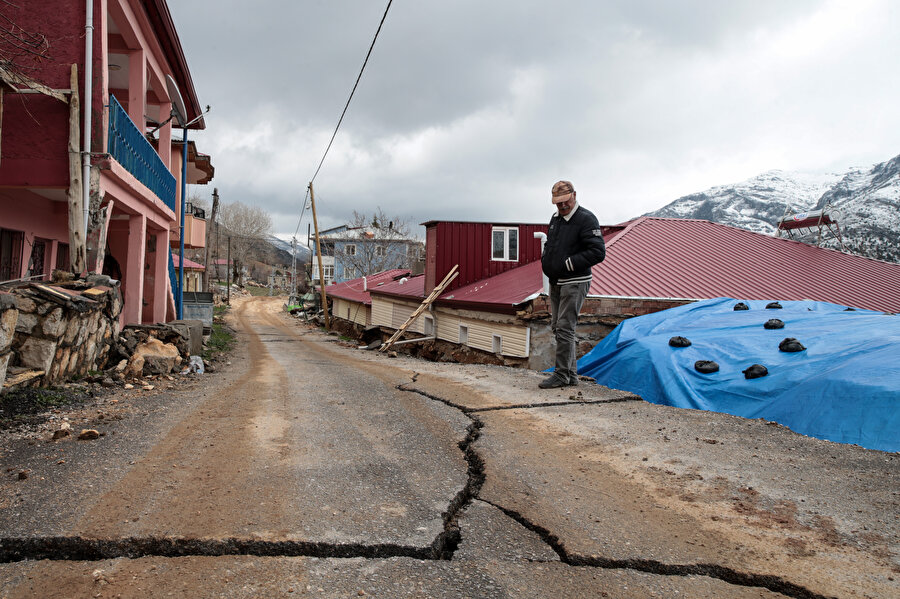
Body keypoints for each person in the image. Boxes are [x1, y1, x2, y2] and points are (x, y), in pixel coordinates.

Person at [539, 180, 606, 389]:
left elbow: (598, 252)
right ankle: (570, 375)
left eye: (565, 201)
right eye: (558, 203)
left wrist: (569, 264)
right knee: (558, 327)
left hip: (575, 281)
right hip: (557, 280)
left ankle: (561, 375)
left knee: (565, 327)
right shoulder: (556, 218)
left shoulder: (586, 219)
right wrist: (547, 259)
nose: (562, 206)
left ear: (574, 195)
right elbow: (552, 243)